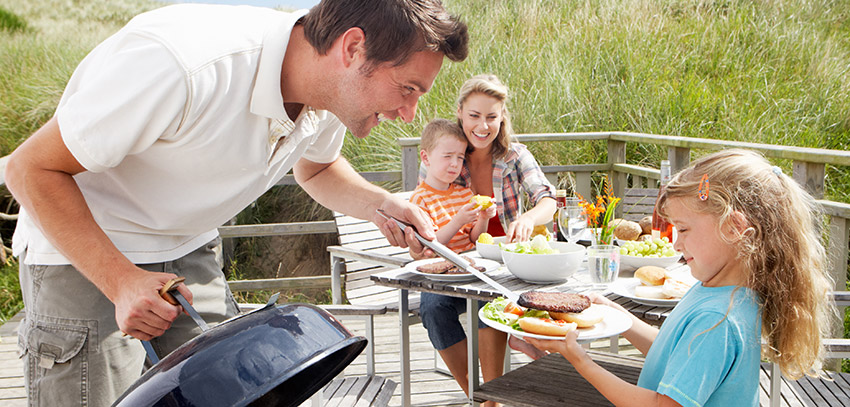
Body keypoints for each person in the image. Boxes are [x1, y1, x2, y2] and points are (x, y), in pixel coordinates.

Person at [4, 1, 468, 405]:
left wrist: (382, 203)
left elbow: (318, 168)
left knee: (238, 393)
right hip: (84, 251)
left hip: (190, 250)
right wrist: (122, 281)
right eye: (408, 89)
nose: (408, 113)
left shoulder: (328, 91)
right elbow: (29, 169)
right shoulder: (182, 64)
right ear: (352, 48)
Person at [526, 149, 836, 406]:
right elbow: (672, 352)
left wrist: (580, 360)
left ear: (734, 228)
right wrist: (614, 314)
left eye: (684, 229)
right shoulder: (719, 291)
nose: (675, 243)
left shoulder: (718, 320)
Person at [414, 74, 557, 403]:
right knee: (433, 308)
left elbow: (547, 200)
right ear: (461, 112)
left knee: (486, 302)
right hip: (457, 266)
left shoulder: (515, 156)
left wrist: (528, 218)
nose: (482, 126)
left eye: (492, 117)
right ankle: (481, 398)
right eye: (475, 116)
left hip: (505, 265)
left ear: (502, 117)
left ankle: (497, 392)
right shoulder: (448, 154)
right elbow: (426, 213)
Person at [410, 119, 497, 251]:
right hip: (439, 265)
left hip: (471, 260)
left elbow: (475, 239)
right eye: (447, 156)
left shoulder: (465, 194)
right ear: (426, 158)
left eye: (460, 157)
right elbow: (429, 244)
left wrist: (484, 218)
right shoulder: (420, 199)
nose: (455, 164)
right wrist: (458, 221)